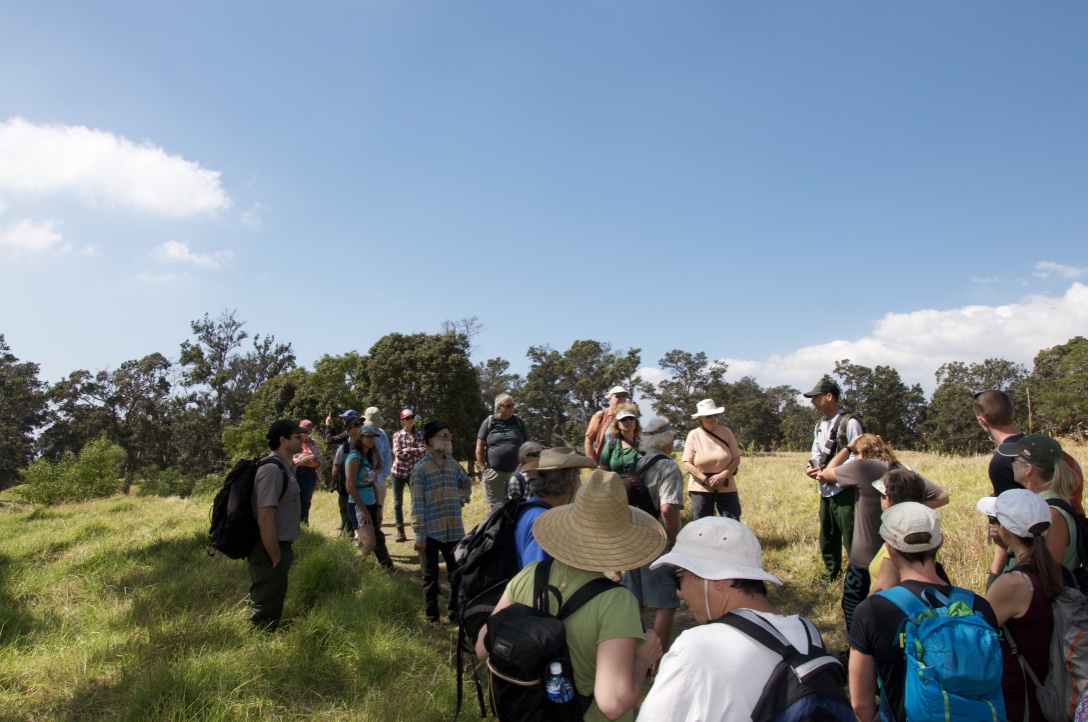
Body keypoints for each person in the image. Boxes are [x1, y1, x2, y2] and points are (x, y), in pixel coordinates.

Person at [476, 469, 666, 722]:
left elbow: (482, 647)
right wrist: (643, 657)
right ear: (620, 541)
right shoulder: (616, 602)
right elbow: (613, 703)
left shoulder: (531, 574)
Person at [638, 517, 833, 722]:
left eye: (678, 578)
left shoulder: (698, 646)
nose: (679, 592)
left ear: (714, 578)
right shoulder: (807, 631)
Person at [847, 503, 1000, 722]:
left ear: (889, 548)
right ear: (940, 543)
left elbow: (860, 705)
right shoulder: (979, 607)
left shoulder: (872, 611)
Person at [817, 434, 948, 630]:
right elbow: (942, 497)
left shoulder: (861, 467)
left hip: (863, 560)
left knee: (857, 613)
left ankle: (856, 650)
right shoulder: (900, 470)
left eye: (856, 454)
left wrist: (847, 448)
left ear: (861, 452)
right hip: (903, 560)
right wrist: (906, 506)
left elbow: (825, 473)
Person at [978, 489, 1065, 722]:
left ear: (1005, 529)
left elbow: (976, 637)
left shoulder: (1013, 584)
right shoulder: (1060, 574)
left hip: (1019, 701)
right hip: (1050, 692)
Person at [623, 417, 684, 652]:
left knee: (634, 599)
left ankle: (629, 649)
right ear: (667, 439)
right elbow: (668, 508)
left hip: (633, 538)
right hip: (657, 542)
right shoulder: (668, 467)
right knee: (666, 603)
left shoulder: (637, 464)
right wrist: (675, 542)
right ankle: (656, 662)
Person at [412, 420, 472, 624]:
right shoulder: (421, 469)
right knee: (430, 577)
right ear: (431, 440)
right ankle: (432, 618)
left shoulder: (453, 464)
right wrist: (419, 535)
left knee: (457, 574)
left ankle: (454, 613)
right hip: (430, 531)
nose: (449, 439)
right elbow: (417, 504)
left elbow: (466, 483)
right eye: (444, 435)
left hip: (454, 529)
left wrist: (461, 498)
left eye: (449, 435)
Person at [804, 377, 863, 583]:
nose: (812, 401)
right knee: (827, 536)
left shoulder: (850, 423)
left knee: (851, 537)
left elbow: (858, 456)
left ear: (829, 397)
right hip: (825, 490)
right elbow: (816, 453)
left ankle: (857, 578)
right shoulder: (820, 424)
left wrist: (833, 475)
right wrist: (811, 468)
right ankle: (831, 574)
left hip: (845, 490)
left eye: (816, 397)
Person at [248, 419, 304, 630]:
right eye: (297, 437)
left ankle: (268, 638)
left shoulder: (286, 467)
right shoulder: (272, 471)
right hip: (268, 547)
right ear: (283, 440)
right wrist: (274, 555)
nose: (302, 440)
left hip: (280, 546)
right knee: (264, 605)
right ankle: (259, 647)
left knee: (274, 599)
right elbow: (265, 518)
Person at [998, 433, 1081, 572]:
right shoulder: (1044, 506)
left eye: (1013, 459)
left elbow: (1048, 577)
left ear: (1028, 468)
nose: (1010, 463)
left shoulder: (1050, 513)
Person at [867, 469, 953, 595]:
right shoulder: (925, 529)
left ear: (888, 501)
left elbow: (883, 590)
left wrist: (864, 611)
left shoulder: (896, 543)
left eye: (882, 495)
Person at [512, 447, 595, 568]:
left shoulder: (530, 509)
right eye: (578, 480)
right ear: (571, 485)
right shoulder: (544, 521)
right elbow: (537, 576)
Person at [682, 398, 742, 521]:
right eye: (709, 416)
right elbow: (687, 463)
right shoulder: (693, 435)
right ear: (700, 418)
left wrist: (722, 476)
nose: (713, 418)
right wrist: (705, 480)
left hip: (726, 485)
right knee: (703, 525)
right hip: (701, 487)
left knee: (733, 522)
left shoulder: (726, 432)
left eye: (715, 415)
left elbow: (736, 458)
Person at [345, 425, 393, 568]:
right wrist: (363, 510)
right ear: (360, 438)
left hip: (371, 503)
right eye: (368, 436)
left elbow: (372, 483)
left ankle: (357, 569)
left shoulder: (368, 458)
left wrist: (378, 506)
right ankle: (349, 568)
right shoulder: (354, 457)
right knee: (370, 543)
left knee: (362, 542)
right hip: (359, 505)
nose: (371, 440)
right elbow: (350, 486)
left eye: (373, 437)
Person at [476, 393, 529, 506]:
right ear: (498, 408)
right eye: (508, 406)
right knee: (496, 508)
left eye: (513, 405)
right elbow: (479, 447)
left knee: (517, 505)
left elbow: (527, 446)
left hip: (516, 472)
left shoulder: (519, 423)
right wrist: (483, 468)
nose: (512, 408)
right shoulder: (489, 422)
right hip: (495, 473)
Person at [390, 408, 426, 543]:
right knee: (397, 502)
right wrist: (413, 452)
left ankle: (417, 528)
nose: (411, 420)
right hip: (398, 472)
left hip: (414, 473)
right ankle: (400, 531)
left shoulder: (420, 434)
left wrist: (408, 450)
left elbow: (424, 450)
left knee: (416, 501)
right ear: (402, 421)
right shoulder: (397, 435)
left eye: (412, 417)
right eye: (408, 418)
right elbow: (398, 454)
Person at [330, 413, 364, 535]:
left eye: (361, 424)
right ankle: (347, 543)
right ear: (349, 430)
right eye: (356, 424)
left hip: (364, 491)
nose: (360, 426)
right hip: (346, 491)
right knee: (347, 518)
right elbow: (335, 468)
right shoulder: (344, 447)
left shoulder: (367, 446)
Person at [584, 385, 630, 463]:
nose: (622, 398)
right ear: (610, 399)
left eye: (624, 395)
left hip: (625, 465)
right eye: (618, 395)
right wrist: (592, 464)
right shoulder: (600, 416)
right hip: (604, 465)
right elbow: (588, 441)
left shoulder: (630, 417)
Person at [291, 419, 323, 525]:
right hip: (296, 472)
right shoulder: (293, 441)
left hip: (310, 473)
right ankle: (293, 524)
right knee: (294, 499)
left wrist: (313, 463)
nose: (306, 434)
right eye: (304, 431)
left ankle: (304, 523)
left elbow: (320, 460)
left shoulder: (313, 443)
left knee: (306, 499)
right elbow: (288, 458)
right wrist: (298, 460)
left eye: (308, 432)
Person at [598, 404, 641, 474]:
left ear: (635, 422)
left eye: (631, 418)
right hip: (617, 484)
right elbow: (602, 471)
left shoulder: (644, 443)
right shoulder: (611, 445)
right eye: (623, 419)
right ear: (617, 424)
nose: (628, 421)